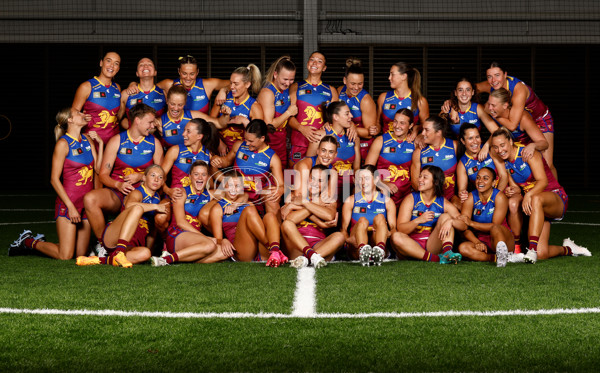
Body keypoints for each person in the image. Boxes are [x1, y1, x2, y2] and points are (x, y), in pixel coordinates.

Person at [9, 108, 102, 259]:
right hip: (68, 204)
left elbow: (98, 169)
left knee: (80, 255)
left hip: (86, 205)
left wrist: (101, 143)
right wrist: (71, 207)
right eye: (78, 113)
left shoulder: (87, 139)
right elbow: (54, 179)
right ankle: (28, 241)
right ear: (70, 120)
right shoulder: (63, 144)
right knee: (65, 256)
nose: (83, 113)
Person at [490, 128, 590, 263]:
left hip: (554, 197)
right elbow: (517, 186)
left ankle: (531, 250)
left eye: (502, 145)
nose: (499, 150)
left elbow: (543, 182)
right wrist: (514, 191)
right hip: (537, 207)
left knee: (536, 198)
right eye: (496, 147)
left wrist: (527, 195)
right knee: (542, 253)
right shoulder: (506, 160)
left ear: (510, 141)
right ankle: (569, 248)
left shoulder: (526, 153)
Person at [83, 104, 164, 254]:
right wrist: (118, 185)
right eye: (150, 122)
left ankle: (158, 248)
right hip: (118, 193)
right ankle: (104, 244)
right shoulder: (117, 141)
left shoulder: (154, 143)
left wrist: (141, 176)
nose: (153, 126)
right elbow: (103, 174)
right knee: (90, 199)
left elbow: (161, 173)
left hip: (143, 194)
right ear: (137, 121)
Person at [76, 165, 168, 267]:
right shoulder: (137, 192)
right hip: (115, 237)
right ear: (145, 178)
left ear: (163, 181)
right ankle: (119, 252)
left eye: (160, 177)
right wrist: (155, 207)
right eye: (153, 175)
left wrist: (150, 250)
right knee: (137, 208)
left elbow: (152, 231)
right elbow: (130, 205)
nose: (156, 179)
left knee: (145, 254)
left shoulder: (157, 198)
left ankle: (102, 259)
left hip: (131, 245)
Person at [478, 61, 556, 178]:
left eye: (497, 75)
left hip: (539, 119)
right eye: (489, 76)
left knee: (547, 164)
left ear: (505, 74)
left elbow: (512, 125)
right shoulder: (493, 85)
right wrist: (452, 102)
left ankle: (557, 193)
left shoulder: (518, 89)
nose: (493, 80)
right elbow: (472, 88)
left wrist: (492, 113)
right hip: (521, 123)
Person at [151, 161, 227, 266]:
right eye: (196, 174)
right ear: (190, 176)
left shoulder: (209, 194)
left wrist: (233, 205)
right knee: (210, 245)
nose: (200, 177)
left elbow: (236, 190)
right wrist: (204, 237)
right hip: (177, 235)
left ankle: (178, 258)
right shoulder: (181, 192)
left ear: (208, 177)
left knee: (224, 252)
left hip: (196, 240)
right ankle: (165, 260)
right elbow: (180, 222)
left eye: (204, 174)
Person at [155, 118, 220, 232]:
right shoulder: (175, 150)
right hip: (175, 196)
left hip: (198, 199)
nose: (183, 134)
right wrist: (168, 190)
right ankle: (166, 240)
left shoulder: (208, 154)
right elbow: (160, 177)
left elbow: (213, 180)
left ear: (199, 136)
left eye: (188, 131)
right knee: (160, 218)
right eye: (184, 130)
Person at [391, 165, 465, 264]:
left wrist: (451, 221)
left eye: (425, 177)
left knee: (446, 217)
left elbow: (464, 225)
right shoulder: (411, 199)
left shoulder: (443, 202)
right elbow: (401, 229)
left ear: (436, 182)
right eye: (420, 176)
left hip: (432, 245)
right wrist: (418, 220)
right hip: (412, 246)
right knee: (396, 236)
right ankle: (436, 259)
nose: (420, 180)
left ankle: (447, 253)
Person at [283, 165, 344, 269]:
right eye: (313, 178)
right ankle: (312, 256)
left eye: (320, 181)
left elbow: (329, 216)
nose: (315, 183)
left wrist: (304, 203)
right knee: (287, 224)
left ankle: (307, 259)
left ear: (325, 185)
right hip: (296, 245)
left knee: (340, 236)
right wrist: (316, 205)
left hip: (319, 245)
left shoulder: (328, 198)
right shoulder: (294, 195)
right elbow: (290, 219)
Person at [207, 169, 274, 262]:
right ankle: (274, 249)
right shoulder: (217, 209)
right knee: (249, 210)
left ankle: (274, 250)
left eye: (237, 186)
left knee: (270, 216)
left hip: (259, 248)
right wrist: (223, 240)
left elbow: (258, 227)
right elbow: (218, 238)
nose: (233, 189)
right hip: (240, 251)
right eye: (230, 185)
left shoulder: (248, 203)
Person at [126, 55, 229, 114]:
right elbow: (148, 85)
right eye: (184, 73)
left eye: (192, 74)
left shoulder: (207, 84)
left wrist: (223, 90)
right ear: (179, 71)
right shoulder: (168, 84)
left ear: (197, 72)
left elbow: (234, 83)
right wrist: (133, 84)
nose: (188, 78)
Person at [456, 167, 516, 266]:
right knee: (463, 248)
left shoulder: (499, 197)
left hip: (501, 238)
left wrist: (471, 223)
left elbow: (494, 226)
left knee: (495, 228)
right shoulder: (470, 197)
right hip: (482, 240)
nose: (480, 181)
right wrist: (477, 242)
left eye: (485, 178)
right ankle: (496, 258)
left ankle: (505, 254)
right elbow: (464, 226)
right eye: (478, 178)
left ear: (493, 182)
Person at [288, 51, 339, 166]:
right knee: (293, 178)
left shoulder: (331, 90)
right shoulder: (296, 86)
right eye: (312, 59)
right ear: (307, 64)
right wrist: (302, 128)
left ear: (324, 68)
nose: (315, 63)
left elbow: (337, 118)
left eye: (319, 61)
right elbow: (288, 116)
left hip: (321, 144)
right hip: (299, 141)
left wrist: (329, 123)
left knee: (318, 178)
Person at [340, 165, 397, 266]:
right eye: (360, 179)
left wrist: (386, 232)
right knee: (362, 220)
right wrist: (349, 240)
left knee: (380, 218)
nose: (362, 182)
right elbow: (343, 229)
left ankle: (379, 250)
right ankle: (363, 252)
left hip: (376, 240)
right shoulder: (351, 200)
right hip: (356, 245)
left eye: (366, 178)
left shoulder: (387, 201)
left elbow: (393, 229)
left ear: (376, 180)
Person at [306, 101, 360, 200]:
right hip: (324, 185)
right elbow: (309, 164)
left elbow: (356, 169)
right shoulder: (320, 135)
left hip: (348, 187)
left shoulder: (354, 137)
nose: (351, 116)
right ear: (335, 117)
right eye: (347, 114)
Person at [365, 108, 416, 208]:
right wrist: (382, 183)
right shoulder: (381, 140)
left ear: (410, 126)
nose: (397, 126)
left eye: (402, 123)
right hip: (382, 195)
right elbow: (366, 172)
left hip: (406, 199)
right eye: (395, 121)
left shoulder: (415, 144)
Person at [72, 51, 122, 145]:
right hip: (91, 141)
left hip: (113, 143)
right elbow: (73, 112)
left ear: (118, 68)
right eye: (108, 61)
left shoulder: (117, 88)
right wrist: (82, 117)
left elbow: (117, 115)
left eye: (116, 63)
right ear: (101, 63)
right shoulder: (86, 86)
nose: (111, 66)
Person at [211, 64, 264, 152]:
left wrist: (245, 122)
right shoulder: (223, 97)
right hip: (219, 149)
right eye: (231, 83)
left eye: (236, 84)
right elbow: (210, 124)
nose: (232, 87)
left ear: (247, 84)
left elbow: (259, 138)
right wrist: (219, 144)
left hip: (243, 151)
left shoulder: (254, 106)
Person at [257, 56, 298, 167]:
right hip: (268, 142)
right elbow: (269, 124)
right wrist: (289, 113)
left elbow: (294, 86)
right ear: (275, 74)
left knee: (284, 176)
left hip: (282, 141)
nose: (288, 83)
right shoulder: (268, 92)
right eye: (285, 79)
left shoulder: (286, 88)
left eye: (291, 79)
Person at [456, 123, 507, 206]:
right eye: (470, 138)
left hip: (502, 191)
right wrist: (463, 194)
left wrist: (495, 196)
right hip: (482, 198)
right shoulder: (462, 163)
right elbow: (462, 190)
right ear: (463, 141)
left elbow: (503, 176)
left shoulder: (491, 150)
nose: (475, 141)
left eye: (477, 137)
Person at [410, 115, 459, 204]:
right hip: (428, 200)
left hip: (451, 198)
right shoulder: (419, 152)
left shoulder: (454, 146)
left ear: (438, 132)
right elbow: (415, 183)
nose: (423, 133)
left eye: (426, 130)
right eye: (423, 130)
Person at [337, 58, 378, 161]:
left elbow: (369, 133)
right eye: (353, 84)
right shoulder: (339, 91)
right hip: (344, 143)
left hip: (364, 148)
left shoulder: (366, 100)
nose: (356, 87)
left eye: (360, 83)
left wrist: (353, 128)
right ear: (345, 80)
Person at [377, 62, 429, 136]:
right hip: (387, 144)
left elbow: (427, 127)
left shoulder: (420, 101)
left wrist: (416, 129)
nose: (389, 78)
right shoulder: (383, 97)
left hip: (409, 144)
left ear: (404, 76)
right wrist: (374, 129)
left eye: (392, 74)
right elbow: (378, 123)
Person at [119, 57, 166, 129]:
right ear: (137, 73)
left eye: (149, 64)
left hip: (156, 139)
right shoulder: (126, 94)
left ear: (155, 72)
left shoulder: (164, 93)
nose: (145, 66)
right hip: (133, 139)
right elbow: (117, 120)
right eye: (141, 65)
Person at [292, 135, 339, 202]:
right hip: (291, 198)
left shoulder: (333, 172)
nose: (326, 155)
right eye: (323, 150)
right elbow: (299, 197)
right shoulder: (305, 166)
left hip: (311, 202)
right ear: (317, 151)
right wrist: (319, 205)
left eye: (331, 152)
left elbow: (328, 199)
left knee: (332, 208)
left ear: (335, 154)